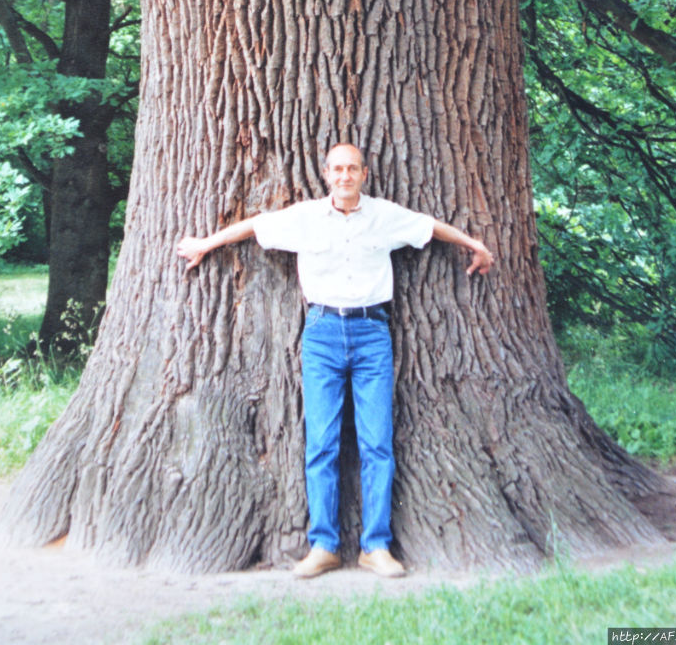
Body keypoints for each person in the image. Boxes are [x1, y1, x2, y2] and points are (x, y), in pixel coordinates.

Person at [176, 142, 494, 579]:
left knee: (377, 442)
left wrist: (474, 244)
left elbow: (431, 227)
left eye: (352, 169)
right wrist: (205, 245)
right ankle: (323, 544)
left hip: (372, 335)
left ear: (364, 173)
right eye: (337, 169)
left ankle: (375, 547)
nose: (344, 176)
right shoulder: (305, 218)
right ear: (326, 174)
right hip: (322, 335)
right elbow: (254, 226)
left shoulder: (384, 215)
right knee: (321, 443)